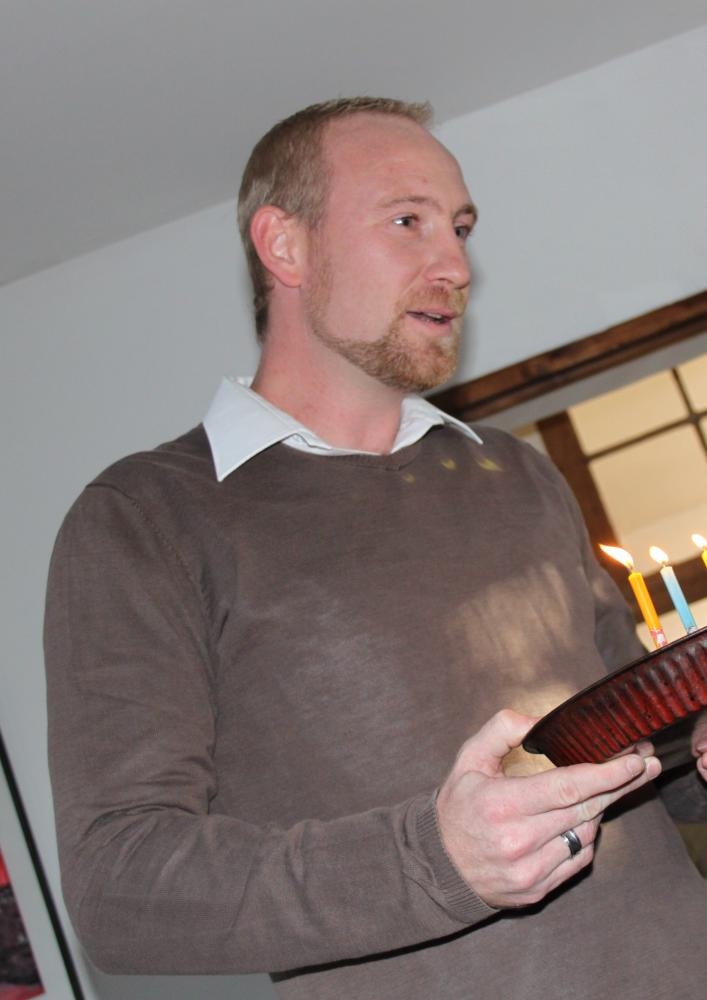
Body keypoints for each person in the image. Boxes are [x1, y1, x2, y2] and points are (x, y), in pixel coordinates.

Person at [44, 97, 707, 999]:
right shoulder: (145, 517)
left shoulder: (515, 472)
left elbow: (648, 763)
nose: (456, 265)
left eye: (460, 228)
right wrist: (436, 860)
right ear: (284, 245)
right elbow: (119, 889)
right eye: (407, 222)